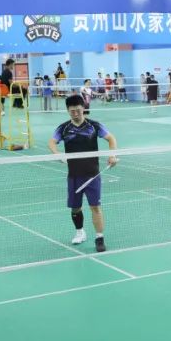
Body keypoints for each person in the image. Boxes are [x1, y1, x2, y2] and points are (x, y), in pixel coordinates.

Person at [47, 94, 117, 253]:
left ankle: (99, 238)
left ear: (83, 108)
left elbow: (111, 138)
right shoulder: (63, 128)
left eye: (78, 110)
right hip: (74, 176)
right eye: (72, 111)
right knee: (75, 208)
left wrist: (112, 155)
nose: (76, 114)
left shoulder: (94, 126)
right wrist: (57, 154)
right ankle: (80, 232)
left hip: (93, 174)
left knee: (95, 207)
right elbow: (52, 142)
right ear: (68, 111)